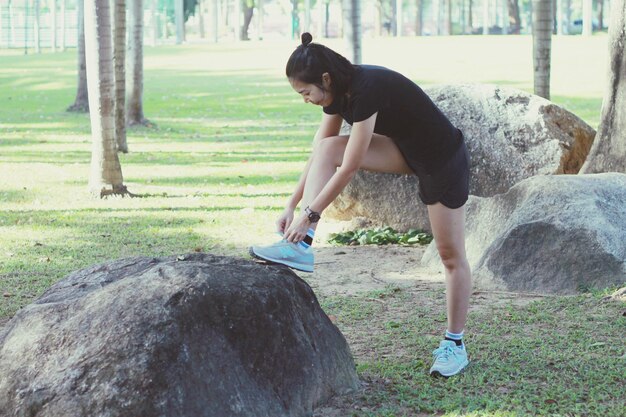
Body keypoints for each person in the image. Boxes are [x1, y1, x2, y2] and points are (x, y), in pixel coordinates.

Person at [250, 33, 472, 377]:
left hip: (443, 160)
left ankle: (454, 344)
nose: (306, 100)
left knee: (450, 255)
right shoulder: (335, 94)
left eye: (306, 92)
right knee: (326, 148)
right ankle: (302, 247)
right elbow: (321, 150)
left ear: (324, 79)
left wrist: (310, 214)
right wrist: (292, 205)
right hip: (406, 149)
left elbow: (351, 165)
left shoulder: (366, 88)